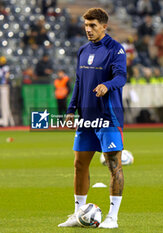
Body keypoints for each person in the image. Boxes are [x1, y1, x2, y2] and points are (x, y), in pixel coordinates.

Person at [58, 8, 127, 229]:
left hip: (108, 117)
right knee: (79, 165)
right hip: (86, 117)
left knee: (113, 165)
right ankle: (78, 212)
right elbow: (79, 82)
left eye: (93, 25)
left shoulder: (115, 50)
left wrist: (106, 86)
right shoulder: (83, 50)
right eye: (86, 25)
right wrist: (70, 110)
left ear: (104, 26)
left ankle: (112, 217)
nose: (88, 30)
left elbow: (121, 77)